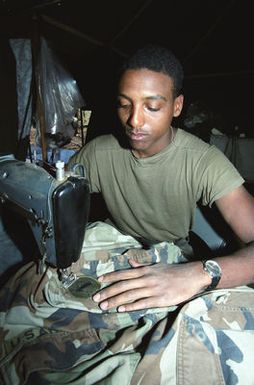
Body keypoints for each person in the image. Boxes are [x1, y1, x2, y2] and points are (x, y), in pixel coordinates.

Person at [68, 44, 254, 312]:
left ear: (177, 107)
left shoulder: (202, 161)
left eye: (152, 107)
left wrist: (197, 274)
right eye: (124, 105)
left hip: (172, 259)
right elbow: (56, 198)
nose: (134, 121)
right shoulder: (98, 153)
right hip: (116, 249)